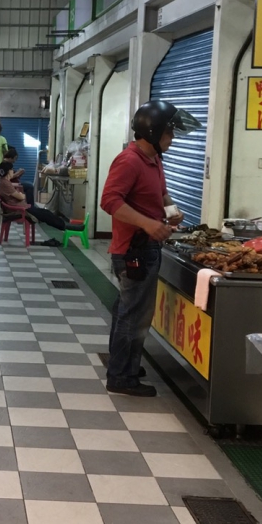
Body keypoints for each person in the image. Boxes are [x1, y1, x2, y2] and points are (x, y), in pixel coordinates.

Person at [100, 99, 199, 398]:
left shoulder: (153, 159)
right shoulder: (129, 161)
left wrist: (171, 212)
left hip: (147, 248)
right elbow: (110, 201)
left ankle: (126, 365)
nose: (172, 138)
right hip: (134, 250)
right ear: (153, 131)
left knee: (131, 312)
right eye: (169, 132)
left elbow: (161, 193)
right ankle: (121, 376)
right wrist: (147, 224)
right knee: (133, 315)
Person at [0, 161, 65, 245]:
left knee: (45, 212)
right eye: (11, 169)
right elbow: (21, 197)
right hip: (19, 210)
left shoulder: (3, 181)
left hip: (20, 207)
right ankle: (64, 226)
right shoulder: (6, 183)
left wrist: (20, 195)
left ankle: (62, 225)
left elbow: (17, 195)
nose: (13, 171)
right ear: (7, 171)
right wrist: (21, 195)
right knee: (46, 214)